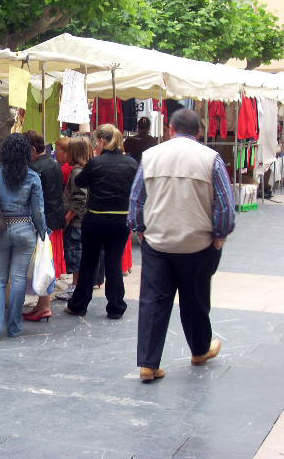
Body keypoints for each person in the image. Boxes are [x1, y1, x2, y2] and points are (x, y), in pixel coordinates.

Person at [129, 109, 235, 382]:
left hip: (158, 241)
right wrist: (219, 235)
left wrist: (140, 229)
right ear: (199, 132)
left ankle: (148, 364)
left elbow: (136, 199)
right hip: (197, 242)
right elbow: (224, 205)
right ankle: (200, 350)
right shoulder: (211, 158)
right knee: (196, 298)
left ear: (170, 129)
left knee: (153, 301)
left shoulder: (150, 156)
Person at [0, 133, 46, 341]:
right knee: (18, 280)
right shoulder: (33, 176)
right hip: (25, 230)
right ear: (26, 153)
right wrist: (43, 232)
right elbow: (38, 212)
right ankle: (14, 327)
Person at [65, 124, 138, 319]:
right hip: (120, 220)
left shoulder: (96, 163)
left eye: (96, 141)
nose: (95, 145)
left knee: (89, 262)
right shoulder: (131, 164)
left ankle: (79, 304)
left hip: (96, 219)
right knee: (114, 262)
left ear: (103, 141)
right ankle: (115, 306)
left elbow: (80, 182)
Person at [23, 130, 65, 322]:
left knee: (45, 263)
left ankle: (44, 306)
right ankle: (42, 304)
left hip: (45, 221)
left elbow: (36, 200)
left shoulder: (37, 168)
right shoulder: (53, 162)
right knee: (46, 262)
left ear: (32, 149)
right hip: (54, 218)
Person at [56, 136, 92, 301]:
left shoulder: (77, 172)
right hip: (80, 222)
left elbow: (79, 198)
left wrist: (68, 217)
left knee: (75, 254)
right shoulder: (82, 170)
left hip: (76, 223)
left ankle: (74, 287)